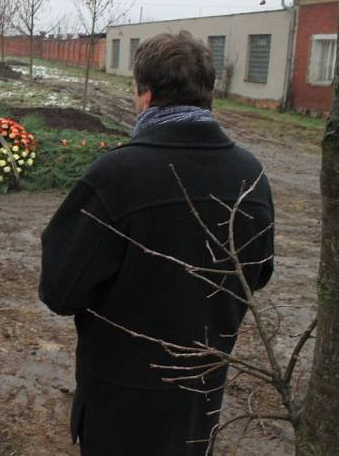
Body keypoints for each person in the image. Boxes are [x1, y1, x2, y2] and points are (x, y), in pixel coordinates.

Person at [39, 32, 274, 455]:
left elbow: (60, 290)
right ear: (208, 93)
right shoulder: (250, 175)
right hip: (200, 399)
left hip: (121, 405)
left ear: (145, 96)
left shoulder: (117, 176)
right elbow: (258, 273)